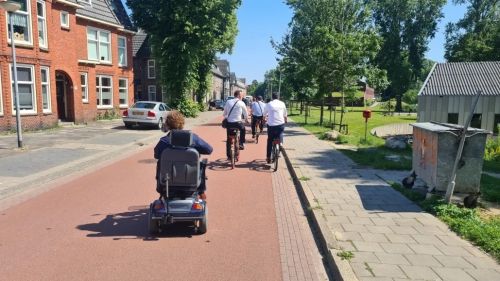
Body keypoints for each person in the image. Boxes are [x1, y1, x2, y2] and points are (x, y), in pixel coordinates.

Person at [154, 111, 213, 199]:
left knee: (160, 162)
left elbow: (156, 155)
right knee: (201, 163)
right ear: (182, 123)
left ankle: (161, 191)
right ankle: (201, 191)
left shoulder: (164, 141)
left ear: (168, 125)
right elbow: (209, 150)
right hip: (191, 182)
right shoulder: (193, 138)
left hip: (168, 183)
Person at [223, 90, 248, 157]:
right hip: (238, 123)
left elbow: (224, 113)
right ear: (239, 96)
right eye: (242, 95)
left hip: (229, 123)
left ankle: (228, 155)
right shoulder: (241, 102)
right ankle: (241, 143)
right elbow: (245, 113)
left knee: (228, 139)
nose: (242, 97)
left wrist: (227, 116)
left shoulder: (228, 102)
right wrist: (246, 120)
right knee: (243, 129)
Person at [263, 93, 287, 164]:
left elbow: (264, 114)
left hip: (271, 126)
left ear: (272, 97)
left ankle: (268, 157)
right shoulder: (282, 103)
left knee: (270, 140)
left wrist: (264, 119)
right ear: (278, 97)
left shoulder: (269, 104)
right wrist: (285, 119)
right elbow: (285, 114)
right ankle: (281, 144)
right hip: (280, 124)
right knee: (280, 133)